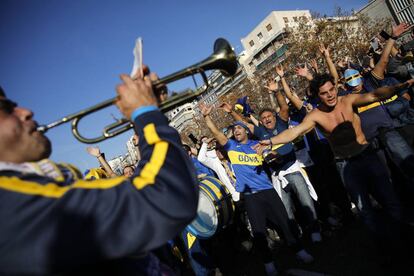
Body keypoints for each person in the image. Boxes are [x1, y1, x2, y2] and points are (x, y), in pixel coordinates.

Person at [0, 69, 199, 275]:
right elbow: (164, 197)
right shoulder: (11, 204)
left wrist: (150, 113)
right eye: (6, 108)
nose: (25, 112)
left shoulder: (32, 183)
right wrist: (146, 114)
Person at [256, 74, 414, 247]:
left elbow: (375, 95)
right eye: (324, 93)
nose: (330, 95)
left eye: (332, 89)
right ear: (318, 95)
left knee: (390, 200)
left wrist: (400, 86)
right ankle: (384, 247)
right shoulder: (315, 116)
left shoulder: (347, 100)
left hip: (367, 155)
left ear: (336, 87)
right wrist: (271, 141)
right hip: (346, 165)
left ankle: (404, 239)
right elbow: (295, 132)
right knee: (364, 210)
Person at [201, 103, 314, 276]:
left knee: (285, 222)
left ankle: (299, 250)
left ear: (246, 131)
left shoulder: (258, 145)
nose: (237, 130)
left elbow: (273, 157)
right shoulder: (231, 147)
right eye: (235, 129)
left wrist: (272, 156)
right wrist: (206, 117)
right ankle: (268, 262)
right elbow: (216, 133)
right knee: (259, 231)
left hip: (268, 190)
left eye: (240, 128)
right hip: (250, 196)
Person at [221, 75, 322, 243]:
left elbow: (283, 106)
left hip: (292, 170)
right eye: (264, 118)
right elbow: (244, 124)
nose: (267, 119)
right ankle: (296, 236)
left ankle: (315, 230)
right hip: (276, 175)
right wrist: (232, 111)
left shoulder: (282, 124)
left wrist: (276, 92)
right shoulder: (260, 132)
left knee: (306, 203)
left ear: (275, 117)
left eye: (269, 116)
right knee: (286, 211)